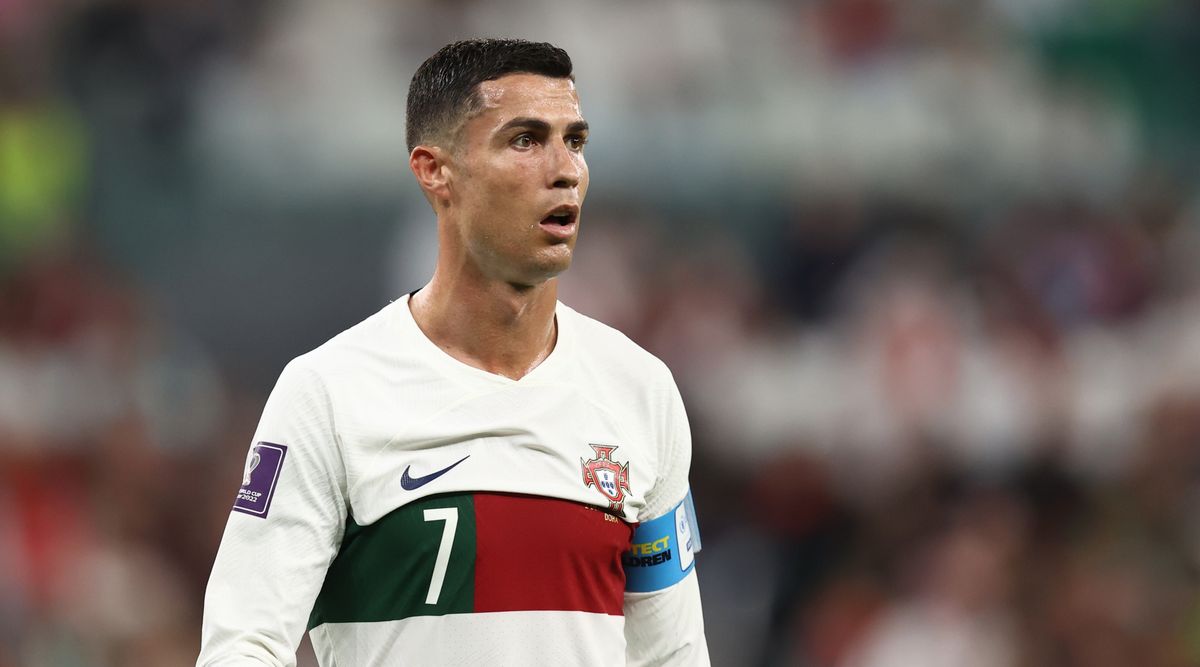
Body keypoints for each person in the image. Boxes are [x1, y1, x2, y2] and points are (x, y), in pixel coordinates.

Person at [197, 38, 709, 666]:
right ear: (434, 170)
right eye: (525, 140)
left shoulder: (640, 390)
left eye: (574, 141)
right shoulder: (329, 393)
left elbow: (672, 655)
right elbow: (242, 647)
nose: (566, 169)